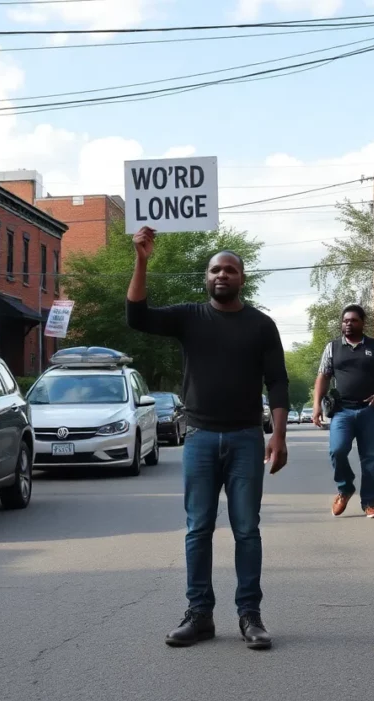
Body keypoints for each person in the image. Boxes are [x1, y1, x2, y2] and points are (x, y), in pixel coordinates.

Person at [126, 226, 289, 651]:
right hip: (199, 437)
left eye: (230, 270)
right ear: (206, 277)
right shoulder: (189, 317)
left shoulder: (261, 325)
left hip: (246, 438)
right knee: (198, 528)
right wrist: (142, 259)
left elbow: (277, 382)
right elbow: (137, 316)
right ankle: (199, 615)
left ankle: (250, 616)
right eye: (215, 270)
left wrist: (279, 436)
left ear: (242, 278)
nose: (222, 275)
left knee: (246, 529)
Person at [312, 304, 374, 518]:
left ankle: (369, 503)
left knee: (370, 459)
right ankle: (345, 488)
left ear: (363, 323)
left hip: (370, 411)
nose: (348, 324)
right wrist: (316, 405)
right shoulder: (332, 348)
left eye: (353, 320)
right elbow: (323, 376)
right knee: (337, 450)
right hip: (342, 411)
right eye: (345, 321)